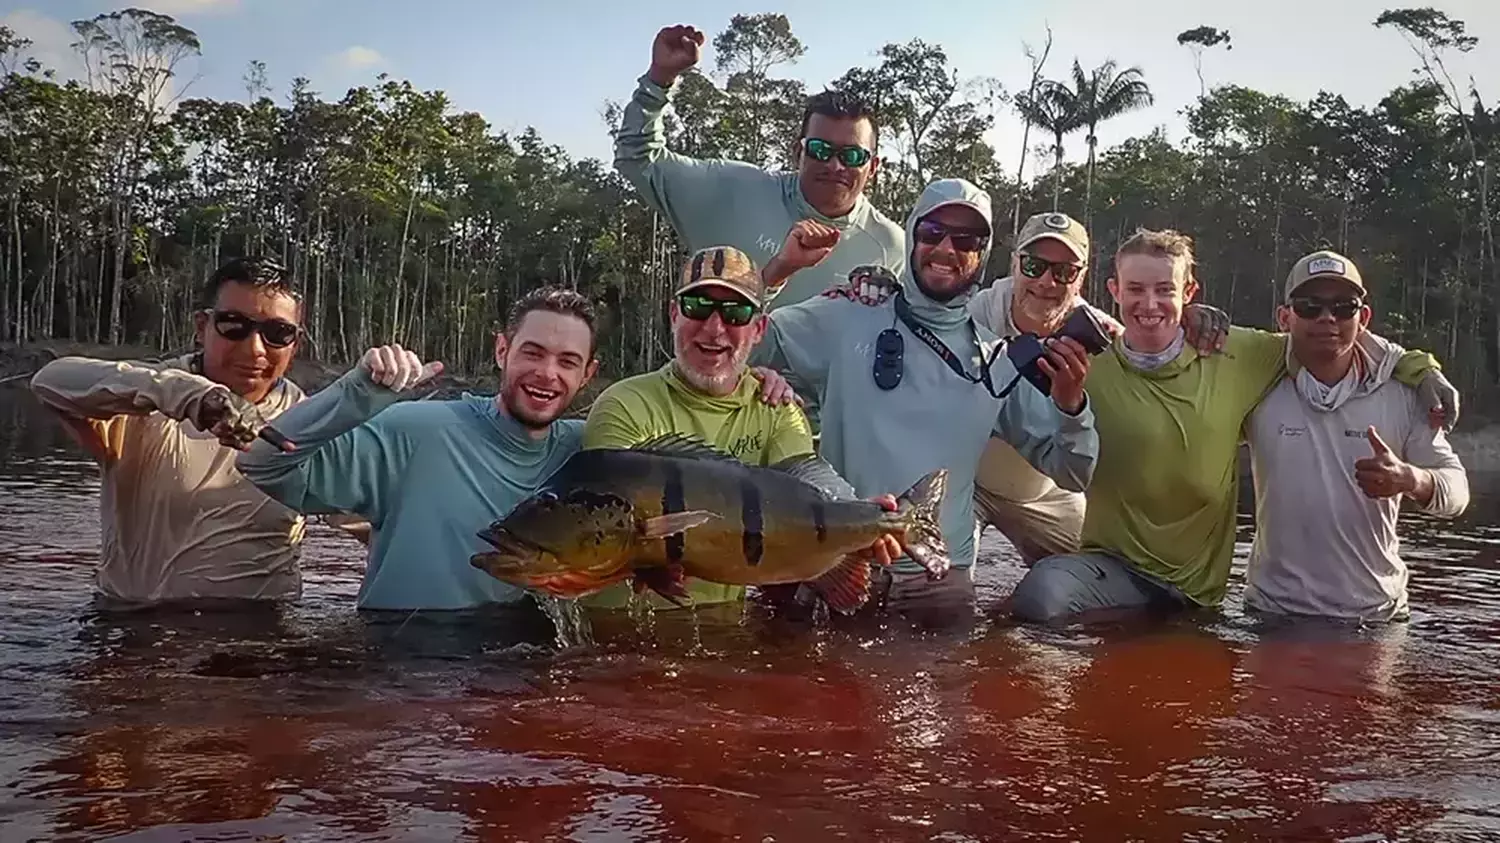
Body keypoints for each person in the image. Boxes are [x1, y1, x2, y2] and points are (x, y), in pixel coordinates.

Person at [236, 286, 797, 613]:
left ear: (588, 375)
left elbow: (714, 480)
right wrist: (357, 393)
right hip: (403, 666)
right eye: (532, 352)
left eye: (567, 362)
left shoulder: (592, 453)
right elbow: (263, 464)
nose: (546, 374)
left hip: (521, 675)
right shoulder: (414, 430)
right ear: (502, 350)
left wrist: (753, 386)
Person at [1008, 229, 1458, 624]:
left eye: (1165, 289)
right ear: (1114, 291)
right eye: (1136, 289)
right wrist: (1069, 403)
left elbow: (1334, 341)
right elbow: (1068, 472)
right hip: (1122, 572)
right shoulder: (1086, 365)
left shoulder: (1238, 355)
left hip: (1201, 595)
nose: (1149, 304)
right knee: (1040, 598)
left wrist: (1421, 368)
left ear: (1189, 292)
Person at [748, 178, 1101, 617]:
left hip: (939, 583)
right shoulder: (846, 313)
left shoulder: (996, 359)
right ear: (913, 234)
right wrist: (778, 273)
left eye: (966, 240)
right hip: (839, 566)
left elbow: (1073, 472)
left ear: (983, 252)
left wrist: (1071, 406)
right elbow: (738, 344)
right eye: (933, 232)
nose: (946, 249)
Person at [577, 245, 900, 612]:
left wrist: (863, 520)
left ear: (759, 328)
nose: (714, 329)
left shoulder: (777, 409)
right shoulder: (623, 405)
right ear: (673, 314)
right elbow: (603, 535)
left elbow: (813, 491)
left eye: (736, 313)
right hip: (618, 630)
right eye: (697, 307)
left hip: (728, 628)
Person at [28, 256, 307, 607]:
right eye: (233, 325)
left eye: (277, 333)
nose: (255, 349)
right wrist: (188, 395)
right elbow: (49, 381)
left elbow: (367, 520)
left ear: (295, 343)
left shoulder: (311, 421)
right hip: (134, 622)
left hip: (263, 628)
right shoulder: (144, 402)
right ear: (202, 326)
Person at [1242, 249, 1469, 621]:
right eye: (1309, 306)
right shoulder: (1254, 385)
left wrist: (1411, 479)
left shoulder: (1404, 393)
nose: (1327, 318)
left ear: (1363, 318)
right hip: (1272, 614)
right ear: (1285, 318)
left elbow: (1457, 492)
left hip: (1375, 617)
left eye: (1343, 307)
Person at [614, 23, 902, 309]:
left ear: (873, 166)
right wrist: (659, 80)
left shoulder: (892, 250)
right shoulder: (731, 190)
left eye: (853, 156)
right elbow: (638, 157)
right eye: (820, 150)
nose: (835, 165)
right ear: (797, 152)